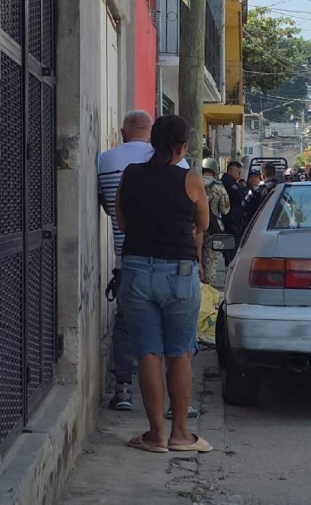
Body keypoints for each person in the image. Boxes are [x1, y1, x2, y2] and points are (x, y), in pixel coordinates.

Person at [116, 114, 212, 454]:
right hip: (179, 274)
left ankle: (155, 435)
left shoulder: (130, 175)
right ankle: (181, 434)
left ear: (152, 143)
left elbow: (123, 222)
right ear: (182, 147)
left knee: (148, 353)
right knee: (180, 353)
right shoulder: (191, 179)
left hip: (137, 271)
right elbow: (203, 222)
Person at [97, 110, 189, 412]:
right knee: (178, 341)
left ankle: (124, 389)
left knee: (129, 332)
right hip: (176, 262)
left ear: (123, 133)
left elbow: (115, 213)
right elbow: (195, 220)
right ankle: (179, 407)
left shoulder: (106, 161)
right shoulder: (183, 167)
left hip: (130, 260)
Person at [200, 158, 230, 285]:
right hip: (213, 229)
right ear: (214, 171)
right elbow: (225, 210)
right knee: (210, 265)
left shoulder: (193, 182)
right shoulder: (218, 187)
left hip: (194, 228)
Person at [220, 161, 245, 264]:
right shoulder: (228, 181)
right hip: (231, 218)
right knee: (232, 244)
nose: (239, 175)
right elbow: (238, 197)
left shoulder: (231, 182)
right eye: (238, 172)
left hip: (232, 218)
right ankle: (230, 260)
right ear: (232, 170)